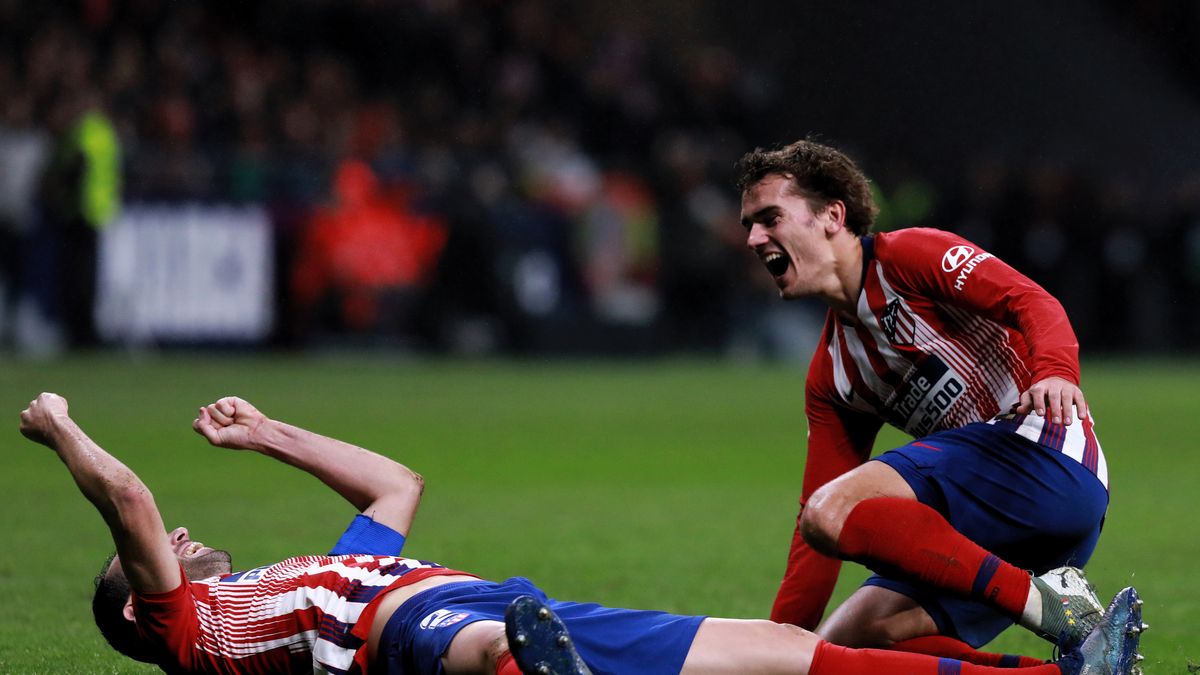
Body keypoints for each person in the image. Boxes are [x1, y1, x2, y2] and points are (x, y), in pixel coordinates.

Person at [19, 392, 1141, 674]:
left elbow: (395, 483)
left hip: (501, 604)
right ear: (136, 602)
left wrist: (271, 434)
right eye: (153, 552)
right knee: (470, 648)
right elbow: (122, 495)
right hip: (413, 641)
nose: (173, 532)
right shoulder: (191, 630)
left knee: (790, 653)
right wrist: (62, 426)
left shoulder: (308, 573)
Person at [735, 139, 1124, 665]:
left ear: (831, 215)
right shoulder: (831, 374)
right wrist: (778, 647)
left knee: (836, 509)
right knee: (847, 648)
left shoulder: (909, 256)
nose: (756, 237)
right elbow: (815, 530)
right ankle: (1075, 665)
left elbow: (1030, 299)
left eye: (770, 217)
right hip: (997, 533)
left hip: (1046, 461)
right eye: (749, 225)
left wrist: (1055, 371)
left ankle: (1050, 608)